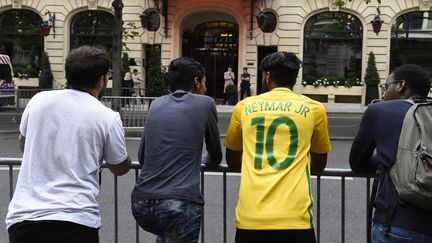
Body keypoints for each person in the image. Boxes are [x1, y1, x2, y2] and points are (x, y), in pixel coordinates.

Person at [5, 45, 131, 243]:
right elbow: (119, 166)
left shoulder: (39, 100)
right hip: (76, 220)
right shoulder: (107, 117)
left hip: (25, 218)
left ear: (68, 74)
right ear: (102, 79)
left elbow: (23, 142)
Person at [224, 51, 331, 243]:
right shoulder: (315, 109)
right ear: (295, 77)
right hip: (296, 219)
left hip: (251, 218)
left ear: (267, 76)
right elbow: (319, 163)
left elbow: (232, 160)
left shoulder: (243, 106)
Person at [131, 57, 222, 243]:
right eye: (204, 81)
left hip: (142, 203)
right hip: (179, 203)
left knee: (164, 235)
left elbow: (142, 157)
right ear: (196, 81)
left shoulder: (155, 103)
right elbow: (216, 155)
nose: (205, 86)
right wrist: (200, 158)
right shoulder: (205, 103)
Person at [349, 64, 432, 242]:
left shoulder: (380, 110)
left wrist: (389, 161)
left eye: (386, 86)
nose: (384, 92)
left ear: (401, 85)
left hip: (396, 224)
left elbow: (357, 162)